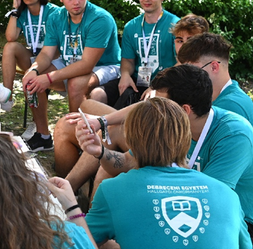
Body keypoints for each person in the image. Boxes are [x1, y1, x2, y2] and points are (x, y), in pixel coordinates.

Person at [80, 65, 253, 249]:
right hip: (188, 211)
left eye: (160, 105)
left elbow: (209, 203)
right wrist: (100, 152)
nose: (153, 111)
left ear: (184, 110)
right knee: (106, 238)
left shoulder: (234, 135)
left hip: (243, 227)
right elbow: (125, 163)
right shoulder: (169, 124)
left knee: (115, 242)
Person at [83, 97, 253, 249]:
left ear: (130, 141)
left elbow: (76, 247)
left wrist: (71, 209)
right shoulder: (227, 194)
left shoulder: (112, 190)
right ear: (186, 139)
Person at [52, 13, 210, 185]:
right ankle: (66, 185)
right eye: (179, 40)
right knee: (80, 112)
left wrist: (103, 121)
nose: (184, 45)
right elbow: (147, 106)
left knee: (109, 131)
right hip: (151, 126)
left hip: (164, 143)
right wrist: (102, 119)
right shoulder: (177, 71)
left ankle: (68, 187)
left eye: (191, 40)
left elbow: (155, 113)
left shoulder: (200, 78)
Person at [22, 0, 120, 113]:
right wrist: (33, 70)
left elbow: (87, 65)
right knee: (32, 80)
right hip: (70, 61)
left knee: (75, 84)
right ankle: (41, 128)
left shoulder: (100, 19)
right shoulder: (55, 17)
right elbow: (46, 53)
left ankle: (74, 126)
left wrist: (49, 77)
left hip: (105, 66)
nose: (76, 2)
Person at [97, 0, 179, 108]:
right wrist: (125, 75)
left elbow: (182, 62)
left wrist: (158, 86)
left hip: (164, 84)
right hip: (137, 81)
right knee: (97, 94)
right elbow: (128, 60)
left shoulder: (175, 25)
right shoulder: (131, 26)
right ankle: (107, 121)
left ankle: (115, 120)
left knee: (147, 105)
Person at [2, 0, 62, 151]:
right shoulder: (22, 14)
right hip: (34, 57)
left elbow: (59, 44)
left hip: (53, 58)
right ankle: (7, 96)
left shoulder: (53, 12)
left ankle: (41, 131)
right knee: (10, 47)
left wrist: (39, 66)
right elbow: (11, 37)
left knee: (33, 79)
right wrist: (15, 9)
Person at [177, 32, 253, 130]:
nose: (186, 77)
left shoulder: (230, 106)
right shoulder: (221, 96)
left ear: (214, 67)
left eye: (192, 70)